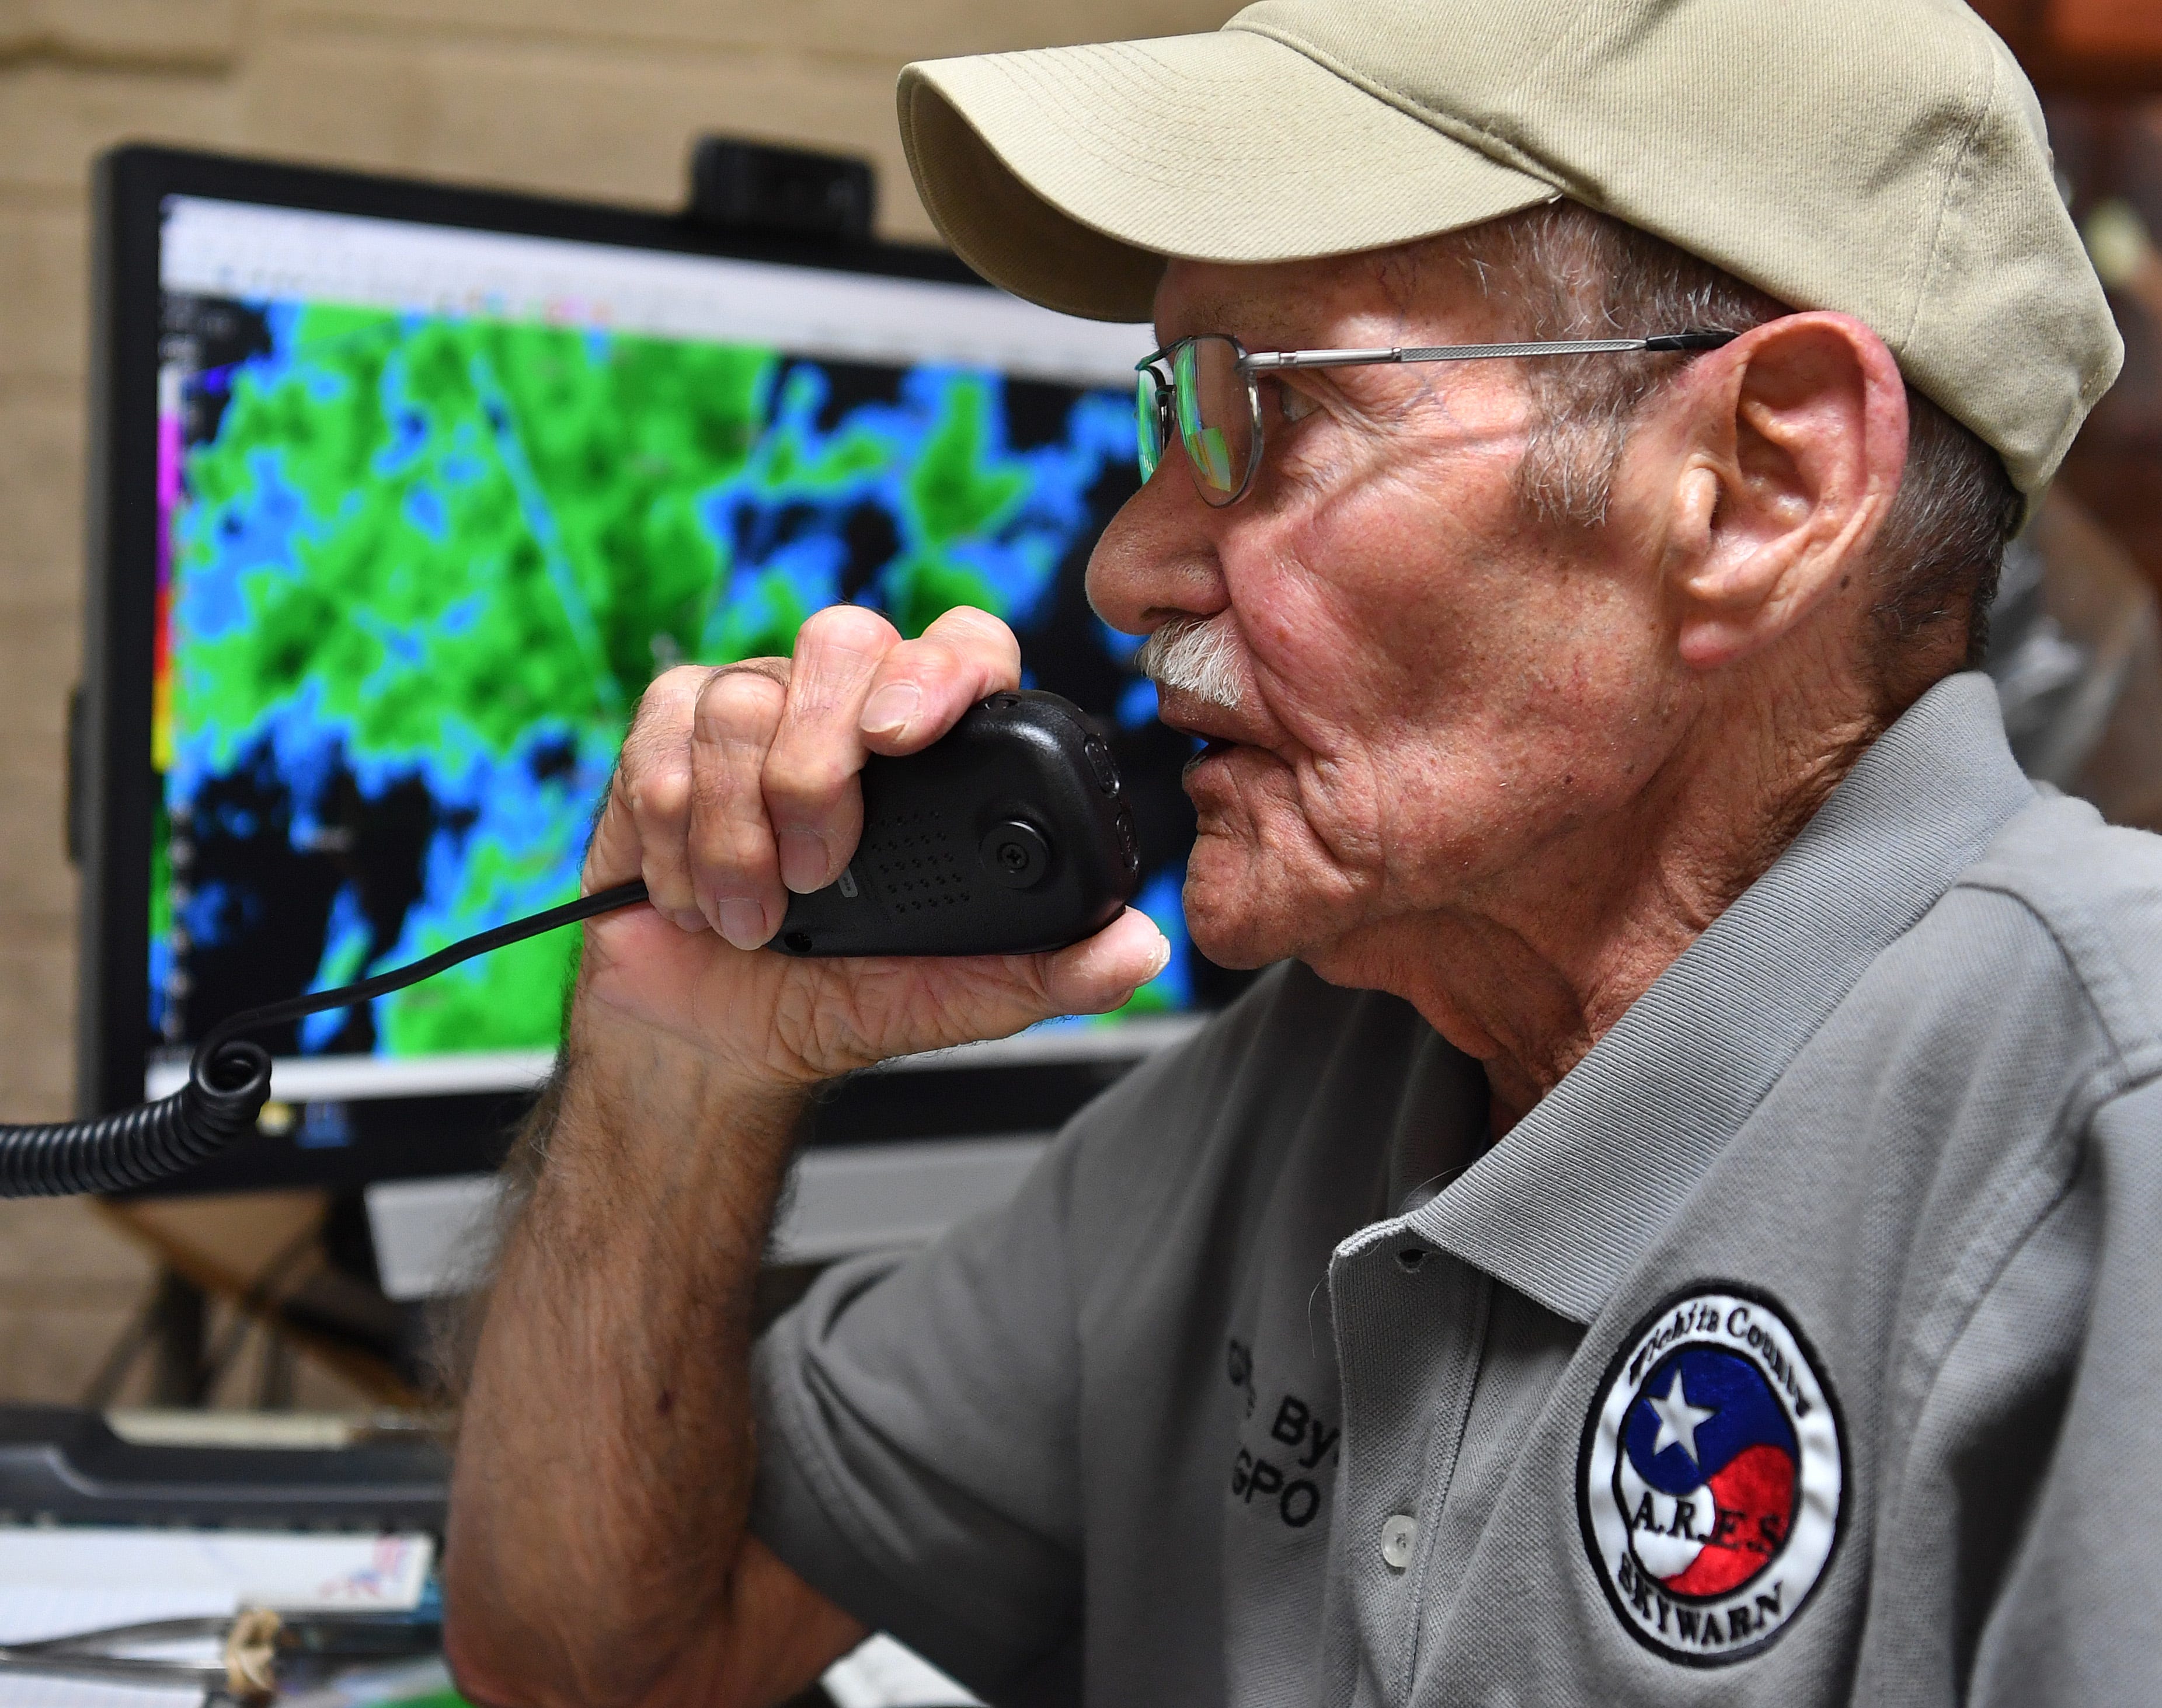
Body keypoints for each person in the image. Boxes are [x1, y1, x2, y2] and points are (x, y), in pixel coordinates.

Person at [441, 0, 2157, 1703]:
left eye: (1266, 407)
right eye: (1164, 412)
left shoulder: (2108, 1141)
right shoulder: (1336, 1065)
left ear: (1755, 486)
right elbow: (600, 1661)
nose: (1126, 564)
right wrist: (676, 1064)